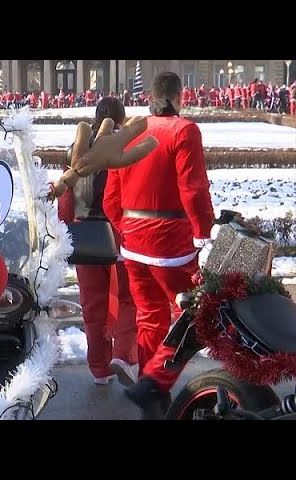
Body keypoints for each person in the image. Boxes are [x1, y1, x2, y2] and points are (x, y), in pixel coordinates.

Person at [102, 72, 214, 419]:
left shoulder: (131, 132)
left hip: (134, 244)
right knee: (193, 316)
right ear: (179, 97)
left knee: (150, 319)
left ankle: (152, 395)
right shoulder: (184, 130)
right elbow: (192, 188)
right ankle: (154, 383)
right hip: (171, 245)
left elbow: (111, 198)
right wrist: (204, 233)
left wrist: (128, 229)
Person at [58, 97, 138, 386]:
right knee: (126, 300)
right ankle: (123, 355)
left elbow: (66, 198)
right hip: (117, 234)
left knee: (93, 306)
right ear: (122, 119)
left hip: (84, 234)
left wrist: (68, 227)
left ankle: (99, 369)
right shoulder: (124, 149)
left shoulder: (76, 149)